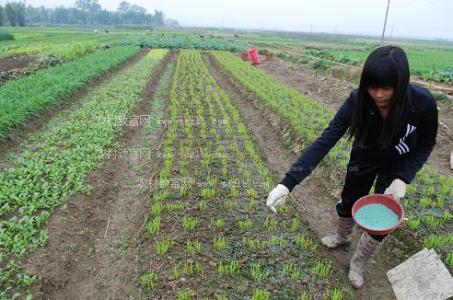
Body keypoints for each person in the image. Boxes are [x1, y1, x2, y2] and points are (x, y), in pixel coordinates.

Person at [266, 45, 438, 289]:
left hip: (397, 162)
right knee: (349, 201)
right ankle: (342, 236)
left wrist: (403, 178)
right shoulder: (358, 100)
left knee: (385, 215)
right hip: (365, 156)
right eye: (372, 86)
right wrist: (287, 184)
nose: (378, 94)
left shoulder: (422, 103)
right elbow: (326, 140)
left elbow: (426, 143)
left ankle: (359, 262)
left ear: (401, 84)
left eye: (386, 88)